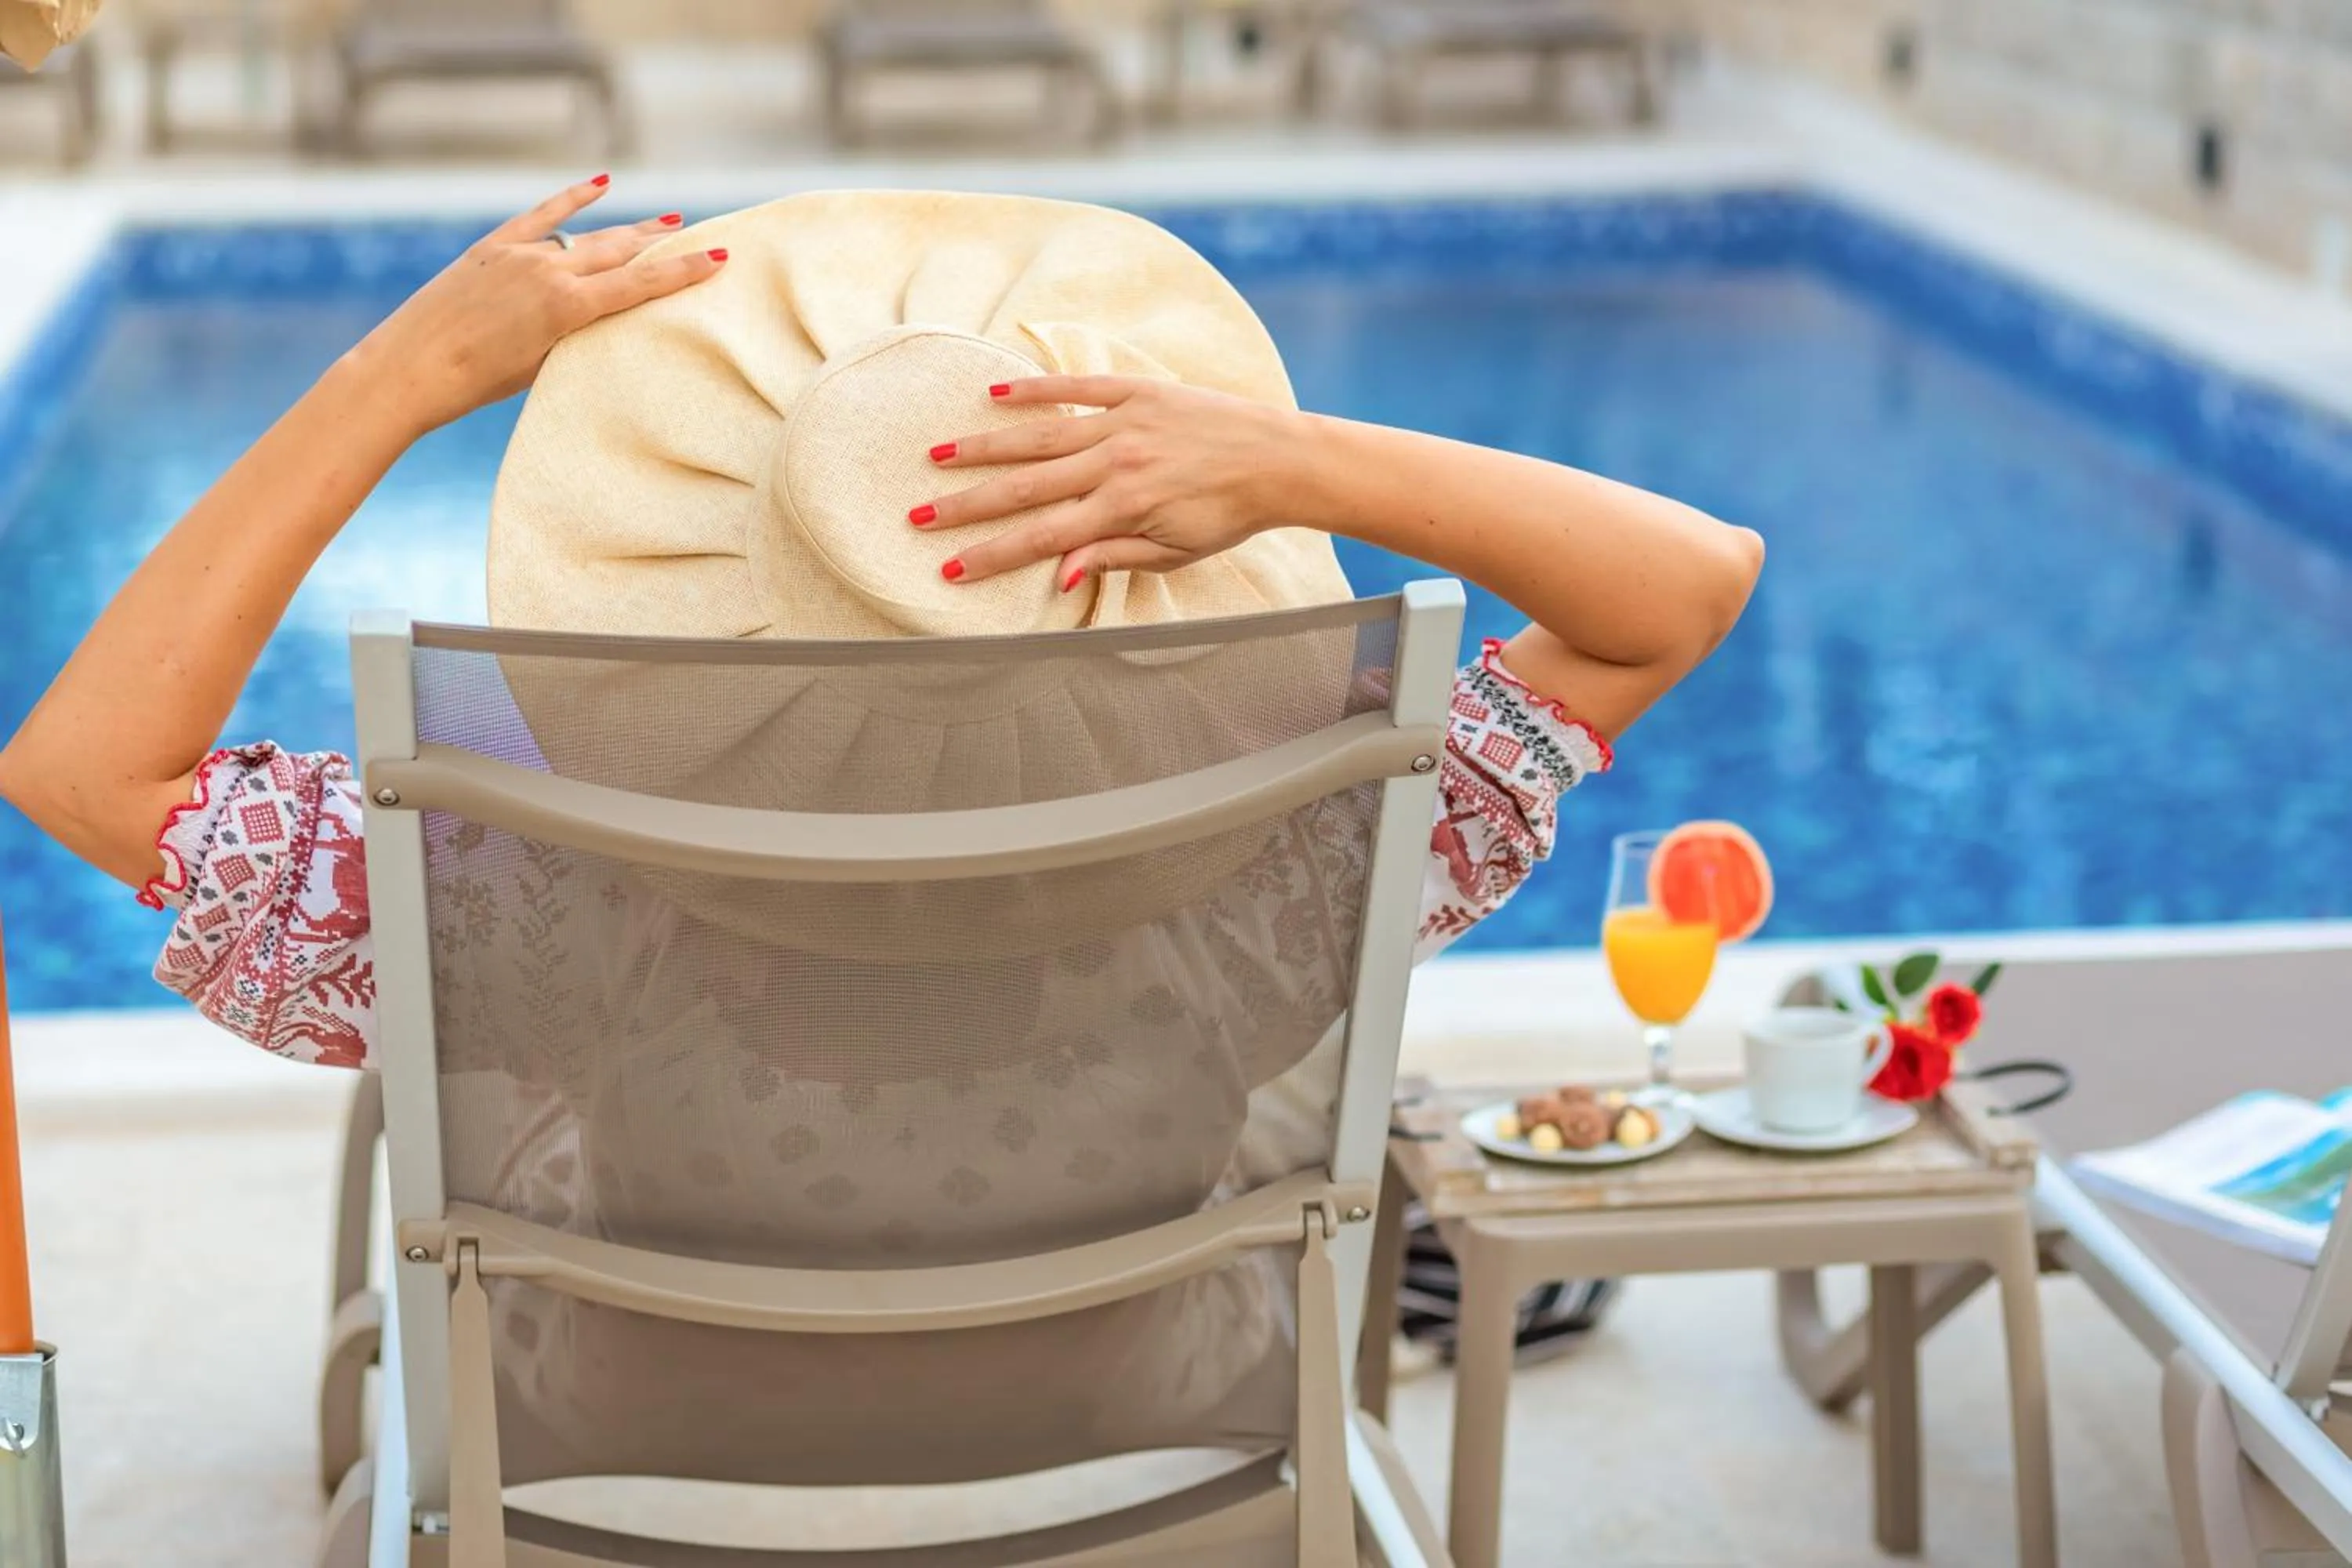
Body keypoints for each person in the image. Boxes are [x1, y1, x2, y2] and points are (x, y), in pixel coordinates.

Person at [0, 183, 1760, 1461]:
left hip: (647, 1437)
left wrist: (391, 375)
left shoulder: (526, 878)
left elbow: (84, 774)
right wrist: (1289, 459)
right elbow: (1682, 588)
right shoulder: (1286, 855)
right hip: (1133, 1426)